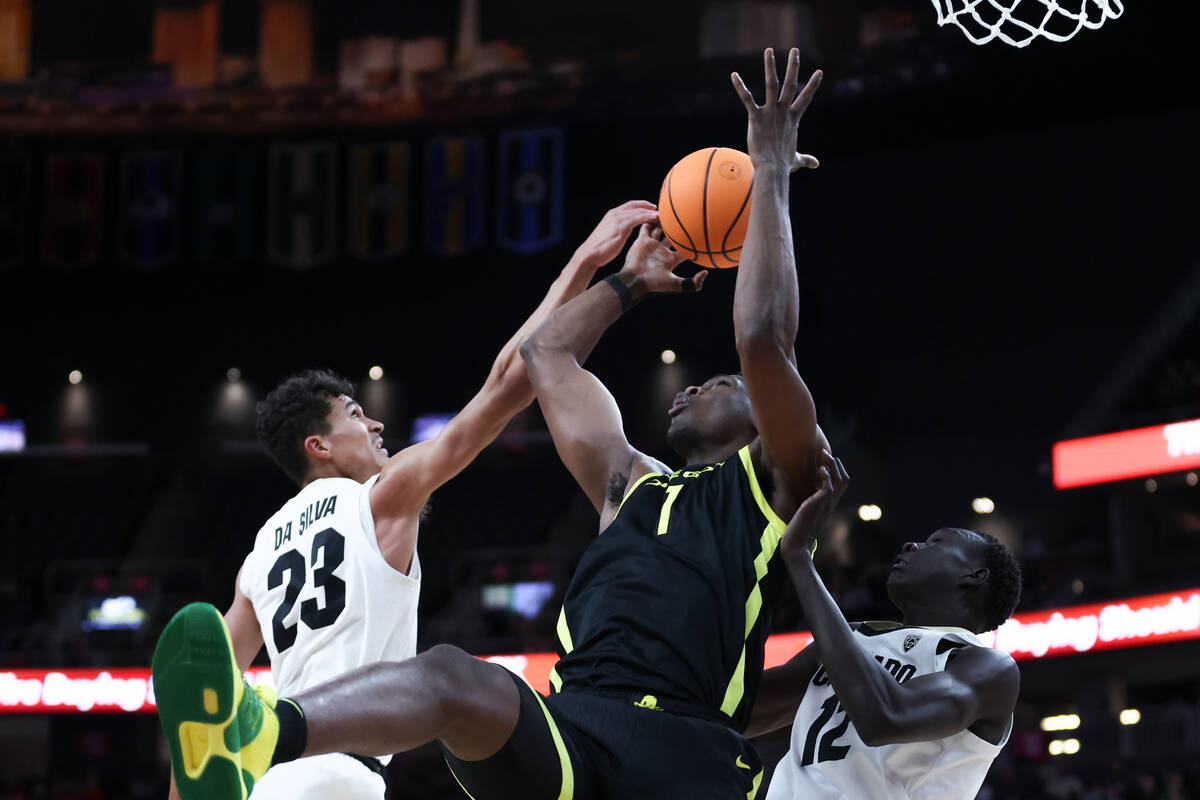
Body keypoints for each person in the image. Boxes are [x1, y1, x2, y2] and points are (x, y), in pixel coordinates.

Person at [151, 47, 827, 800]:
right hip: (562, 727)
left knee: (440, 676)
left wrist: (766, 180)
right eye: (354, 415)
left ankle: (262, 732)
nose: (694, 384)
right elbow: (537, 361)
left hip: (682, 740)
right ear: (319, 444)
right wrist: (626, 282)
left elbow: (763, 338)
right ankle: (261, 732)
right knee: (448, 673)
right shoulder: (619, 483)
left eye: (719, 383)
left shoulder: (771, 480)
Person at [157, 200, 663, 800]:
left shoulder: (258, 556)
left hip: (270, 772)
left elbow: (206, 699)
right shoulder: (381, 496)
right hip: (340, 774)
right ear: (318, 445)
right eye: (354, 415)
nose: (375, 424)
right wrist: (592, 265)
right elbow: (510, 383)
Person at [748, 452, 1023, 800]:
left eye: (936, 543)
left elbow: (884, 718)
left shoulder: (986, 668)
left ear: (974, 575)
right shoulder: (853, 638)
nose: (911, 544)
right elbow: (739, 712)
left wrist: (800, 557)